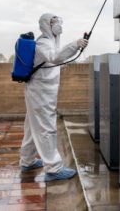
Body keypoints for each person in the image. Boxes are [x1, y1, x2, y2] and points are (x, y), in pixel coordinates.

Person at [20, 13, 88, 182]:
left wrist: (76, 49)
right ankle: (53, 168)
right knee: (46, 128)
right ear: (45, 25)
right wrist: (75, 44)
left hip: (40, 91)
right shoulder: (43, 42)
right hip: (40, 93)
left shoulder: (50, 43)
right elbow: (55, 57)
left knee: (32, 126)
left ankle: (27, 161)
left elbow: (56, 61)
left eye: (58, 21)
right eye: (53, 22)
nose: (58, 25)